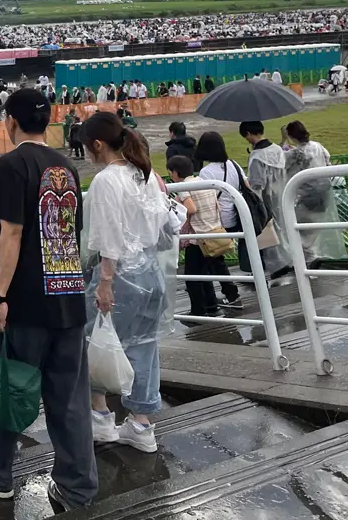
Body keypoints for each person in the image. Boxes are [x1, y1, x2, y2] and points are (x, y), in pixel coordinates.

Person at [0, 88, 97, 510]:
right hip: (69, 296)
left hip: (27, 300)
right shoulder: (66, 165)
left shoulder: (12, 165)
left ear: (10, 122)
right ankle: (77, 487)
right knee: (69, 400)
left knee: (6, 386)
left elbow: (11, 234)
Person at [80, 112, 170, 453]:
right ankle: (141, 424)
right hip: (149, 271)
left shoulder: (107, 180)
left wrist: (104, 281)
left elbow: (109, 236)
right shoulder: (144, 174)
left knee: (96, 341)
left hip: (120, 274)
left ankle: (100, 415)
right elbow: (163, 220)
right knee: (144, 348)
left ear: (98, 145)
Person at [168, 155, 224, 317]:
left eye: (170, 172)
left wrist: (186, 221)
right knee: (203, 273)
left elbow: (191, 209)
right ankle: (211, 305)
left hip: (197, 237)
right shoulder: (203, 181)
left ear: (176, 172)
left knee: (192, 276)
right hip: (212, 232)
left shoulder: (183, 186)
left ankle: (198, 312)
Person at [283, 121, 346, 264]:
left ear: (292, 136)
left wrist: (283, 143)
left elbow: (283, 163)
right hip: (324, 191)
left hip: (307, 195)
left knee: (293, 228)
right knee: (312, 228)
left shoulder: (296, 153)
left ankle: (308, 258)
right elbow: (327, 160)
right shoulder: (317, 146)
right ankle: (311, 256)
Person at [194, 132, 245, 307]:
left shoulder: (206, 172)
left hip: (217, 222)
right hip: (236, 217)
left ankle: (231, 295)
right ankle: (223, 295)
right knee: (216, 260)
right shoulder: (234, 165)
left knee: (215, 260)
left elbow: (206, 197)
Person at [239, 121, 294, 275]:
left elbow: (257, 184)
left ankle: (276, 264)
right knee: (284, 227)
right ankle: (290, 259)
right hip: (282, 193)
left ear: (249, 134)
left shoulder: (257, 156)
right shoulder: (277, 149)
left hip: (266, 198)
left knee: (268, 231)